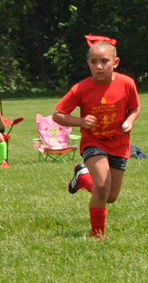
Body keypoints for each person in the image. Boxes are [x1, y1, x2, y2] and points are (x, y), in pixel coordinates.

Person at [54, 38, 140, 239]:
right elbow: (58, 115)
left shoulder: (127, 83)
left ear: (115, 62)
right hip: (94, 142)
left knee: (109, 196)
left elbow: (135, 107)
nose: (99, 66)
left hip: (119, 143)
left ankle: (82, 177)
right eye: (94, 62)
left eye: (104, 61)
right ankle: (97, 236)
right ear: (88, 64)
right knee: (101, 186)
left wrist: (130, 120)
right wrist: (81, 121)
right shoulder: (81, 88)